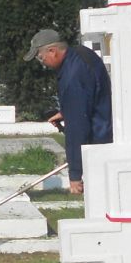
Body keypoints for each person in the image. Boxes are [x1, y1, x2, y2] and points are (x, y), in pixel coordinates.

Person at [23, 28, 112, 195]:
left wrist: (75, 174)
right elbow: (90, 94)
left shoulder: (72, 76)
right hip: (105, 128)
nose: (41, 62)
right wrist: (66, 111)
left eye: (40, 57)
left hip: (99, 141)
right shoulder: (80, 54)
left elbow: (77, 128)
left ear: (53, 51)